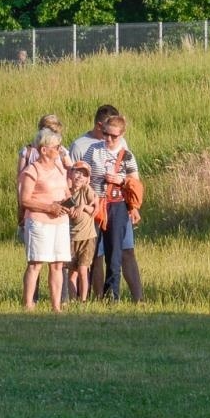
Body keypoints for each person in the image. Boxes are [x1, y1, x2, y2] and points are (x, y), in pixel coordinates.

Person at [72, 105, 141, 300]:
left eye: (113, 136)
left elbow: (135, 182)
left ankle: (112, 295)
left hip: (117, 205)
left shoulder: (127, 155)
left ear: (122, 135)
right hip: (94, 204)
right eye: (105, 134)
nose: (108, 139)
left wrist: (121, 180)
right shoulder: (93, 150)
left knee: (115, 252)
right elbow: (82, 172)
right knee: (89, 251)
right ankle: (87, 295)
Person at [18, 128, 72, 312]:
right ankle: (28, 304)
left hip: (60, 221)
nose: (59, 150)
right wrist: (49, 207)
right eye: (56, 147)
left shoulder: (59, 168)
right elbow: (24, 199)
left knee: (57, 263)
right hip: (39, 221)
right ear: (44, 150)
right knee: (36, 263)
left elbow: (66, 191)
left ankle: (56, 306)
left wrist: (67, 205)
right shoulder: (32, 170)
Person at [64, 161, 99, 301]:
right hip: (71, 238)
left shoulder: (86, 190)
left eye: (83, 175)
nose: (79, 177)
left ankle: (83, 300)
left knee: (83, 270)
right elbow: (64, 208)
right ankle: (73, 299)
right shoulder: (67, 192)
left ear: (88, 179)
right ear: (71, 174)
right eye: (77, 172)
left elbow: (93, 210)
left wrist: (83, 206)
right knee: (72, 271)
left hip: (87, 237)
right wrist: (70, 210)